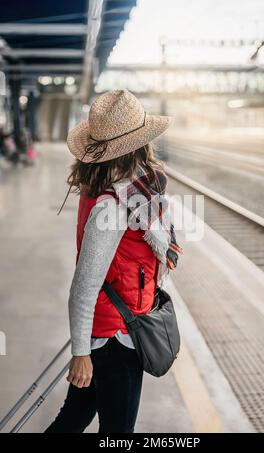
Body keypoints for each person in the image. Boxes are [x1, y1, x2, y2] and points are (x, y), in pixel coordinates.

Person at [45, 89, 182, 434]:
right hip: (114, 340)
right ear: (139, 144)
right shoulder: (116, 204)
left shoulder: (123, 191)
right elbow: (84, 285)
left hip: (107, 333)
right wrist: (81, 352)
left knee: (73, 418)